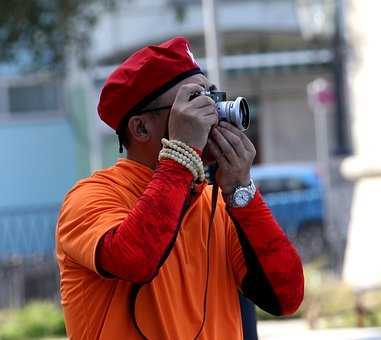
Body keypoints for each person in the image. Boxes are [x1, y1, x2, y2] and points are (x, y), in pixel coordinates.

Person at [56, 36, 304, 340]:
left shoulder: (219, 202)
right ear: (141, 128)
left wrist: (242, 191)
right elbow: (134, 259)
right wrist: (181, 157)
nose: (212, 114)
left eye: (211, 98)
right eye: (193, 103)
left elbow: (287, 295)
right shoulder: (91, 197)